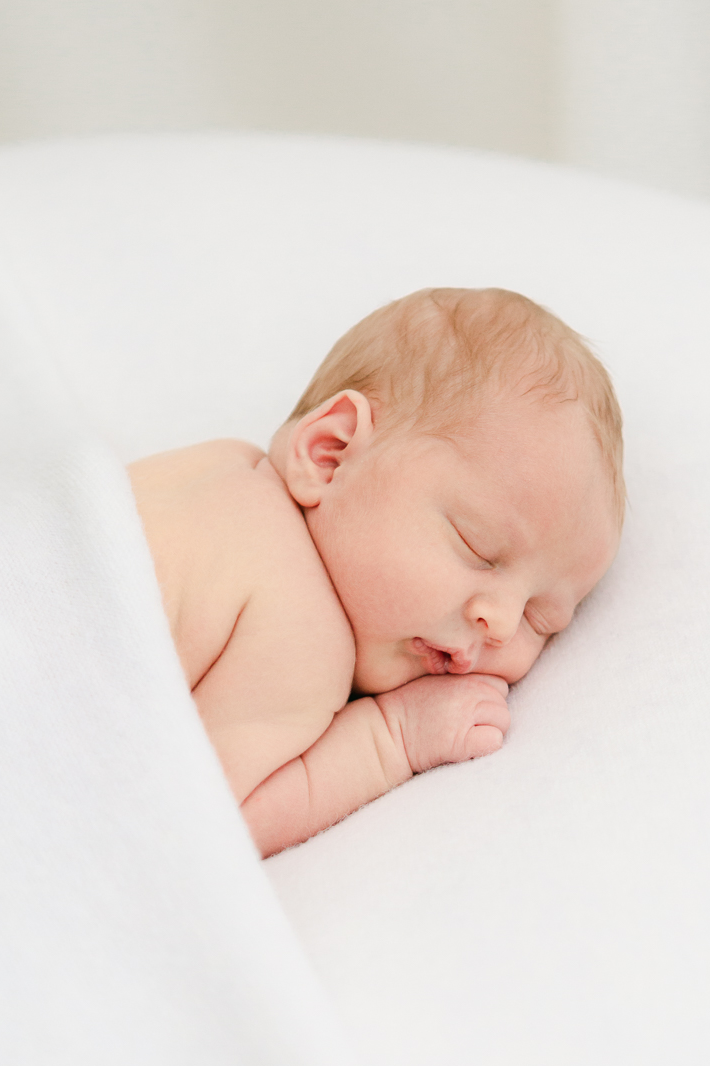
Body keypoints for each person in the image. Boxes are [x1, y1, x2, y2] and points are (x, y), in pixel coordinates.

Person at [128, 288, 624, 857]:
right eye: (476, 547)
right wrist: (391, 739)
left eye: (542, 619)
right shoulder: (304, 632)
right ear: (330, 455)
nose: (502, 622)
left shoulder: (214, 465)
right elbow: (194, 822)